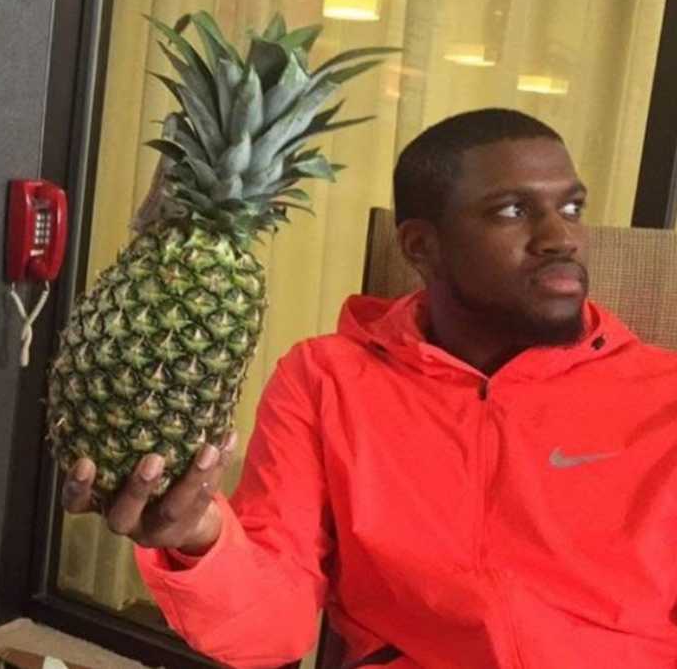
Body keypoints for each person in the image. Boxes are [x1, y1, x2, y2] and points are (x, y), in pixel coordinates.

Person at [61, 108, 677, 668]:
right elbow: (271, 628)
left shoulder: (663, 397)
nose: (561, 237)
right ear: (420, 246)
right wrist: (199, 542)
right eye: (513, 211)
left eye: (570, 207)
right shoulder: (327, 380)